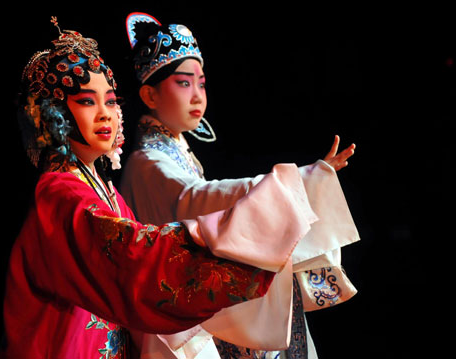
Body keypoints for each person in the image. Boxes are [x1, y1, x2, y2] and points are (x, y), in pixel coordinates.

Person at [0, 17, 301, 359]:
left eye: (111, 101)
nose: (105, 115)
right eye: (86, 101)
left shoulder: (104, 191)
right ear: (55, 114)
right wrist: (249, 224)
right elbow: (136, 257)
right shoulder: (58, 194)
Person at [120, 12, 361, 359]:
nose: (197, 95)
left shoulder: (171, 152)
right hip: (173, 317)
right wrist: (291, 183)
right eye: (184, 83)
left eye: (201, 83)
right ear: (150, 94)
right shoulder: (148, 162)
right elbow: (195, 200)